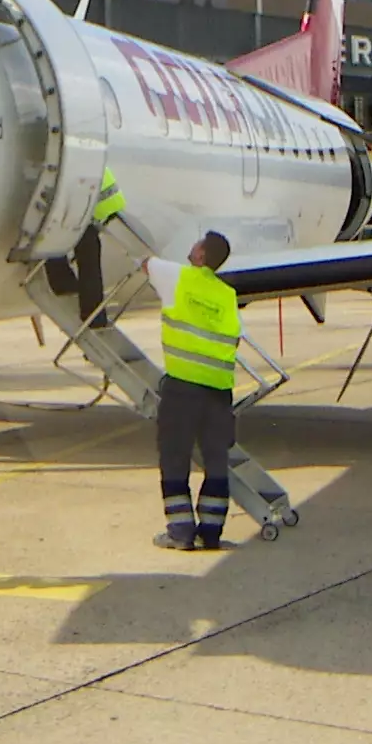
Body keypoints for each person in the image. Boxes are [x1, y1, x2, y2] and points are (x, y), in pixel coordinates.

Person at [141, 230, 238, 551]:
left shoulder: (177, 277)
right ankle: (211, 532)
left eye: (197, 244)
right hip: (219, 391)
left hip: (183, 388)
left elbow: (144, 263)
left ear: (200, 255)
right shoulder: (227, 294)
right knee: (216, 461)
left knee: (174, 458)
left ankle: (180, 532)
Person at [44, 166, 125, 329]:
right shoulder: (94, 167)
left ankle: (64, 285)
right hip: (103, 212)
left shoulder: (72, 170)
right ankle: (95, 316)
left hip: (91, 215)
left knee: (57, 242)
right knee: (90, 266)